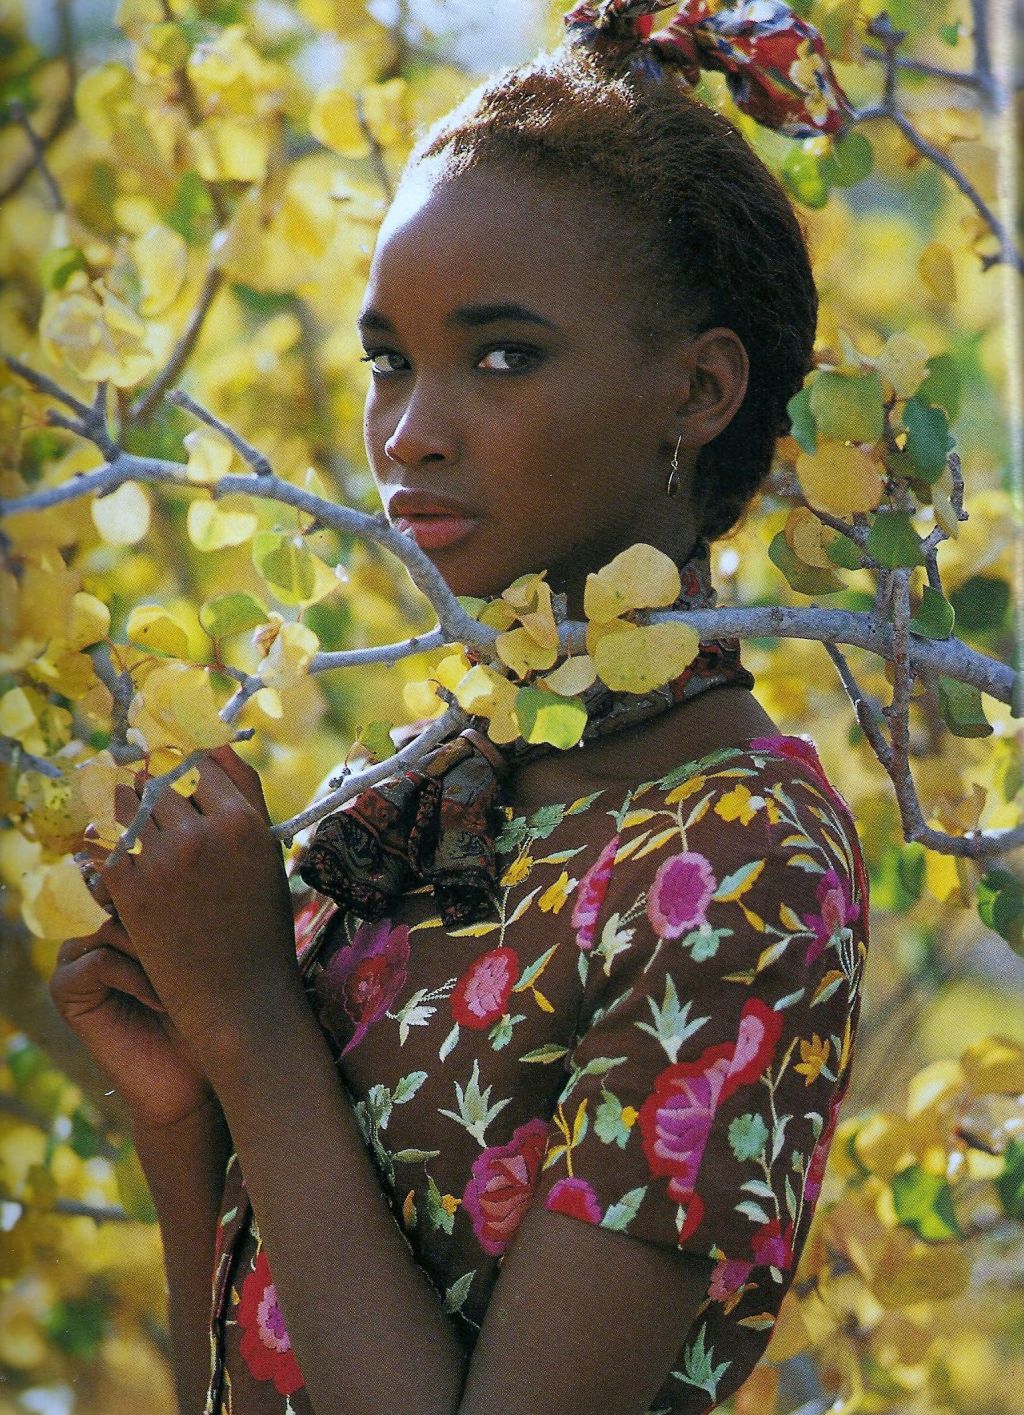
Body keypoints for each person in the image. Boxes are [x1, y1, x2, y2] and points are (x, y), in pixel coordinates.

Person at [51, 5, 869, 1413]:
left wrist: (251, 1021)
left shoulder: (741, 862)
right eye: (389, 360)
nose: (409, 432)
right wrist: (188, 1109)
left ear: (699, 390)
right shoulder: (422, 790)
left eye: (500, 357)